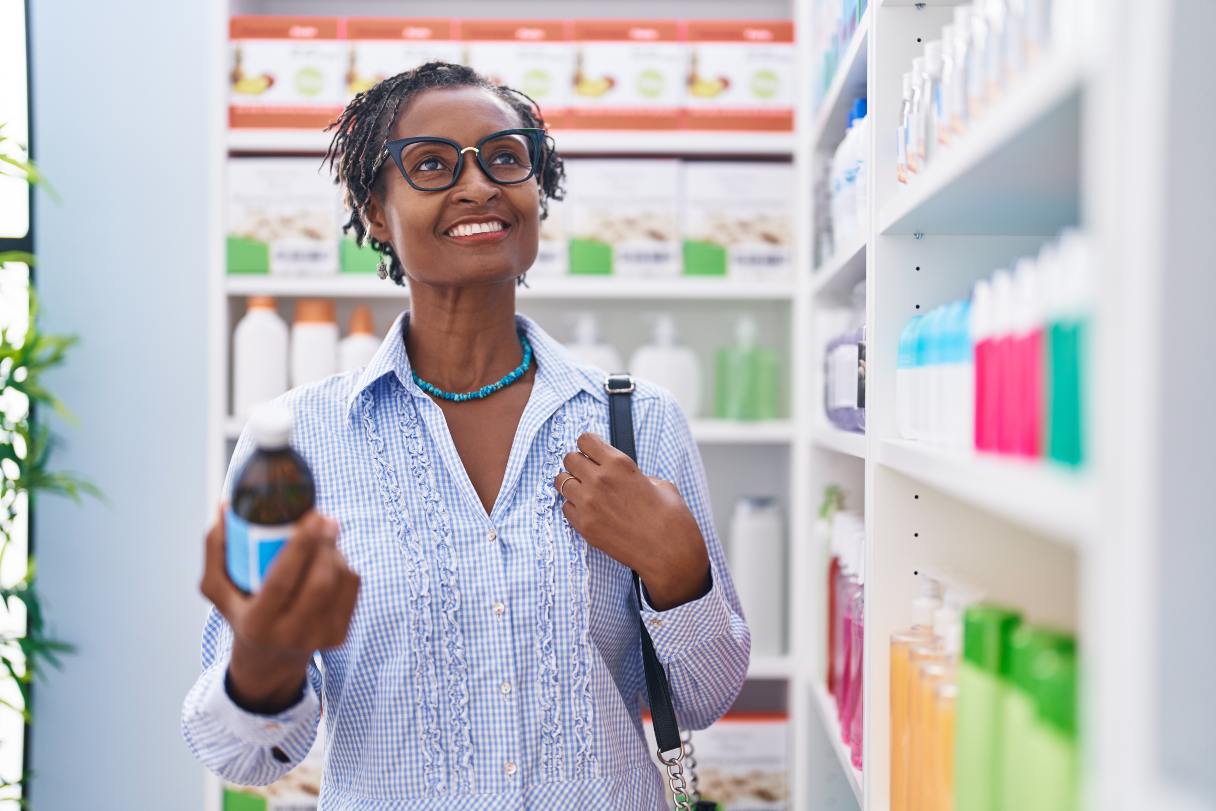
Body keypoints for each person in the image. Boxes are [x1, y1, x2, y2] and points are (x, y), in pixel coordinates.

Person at [182, 61, 750, 810]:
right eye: (431, 165)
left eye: (506, 159)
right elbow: (241, 757)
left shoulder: (637, 422)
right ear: (376, 212)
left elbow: (702, 700)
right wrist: (263, 658)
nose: (479, 184)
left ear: (535, 193)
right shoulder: (300, 445)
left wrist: (679, 568)